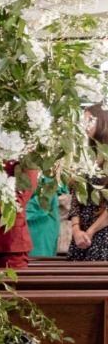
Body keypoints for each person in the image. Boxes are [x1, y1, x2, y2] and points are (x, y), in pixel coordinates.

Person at [69, 104, 108, 262]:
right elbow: (76, 198)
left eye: (89, 120)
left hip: (103, 235)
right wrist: (76, 229)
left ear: (103, 122)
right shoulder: (86, 156)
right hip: (81, 236)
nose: (85, 126)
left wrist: (90, 232)